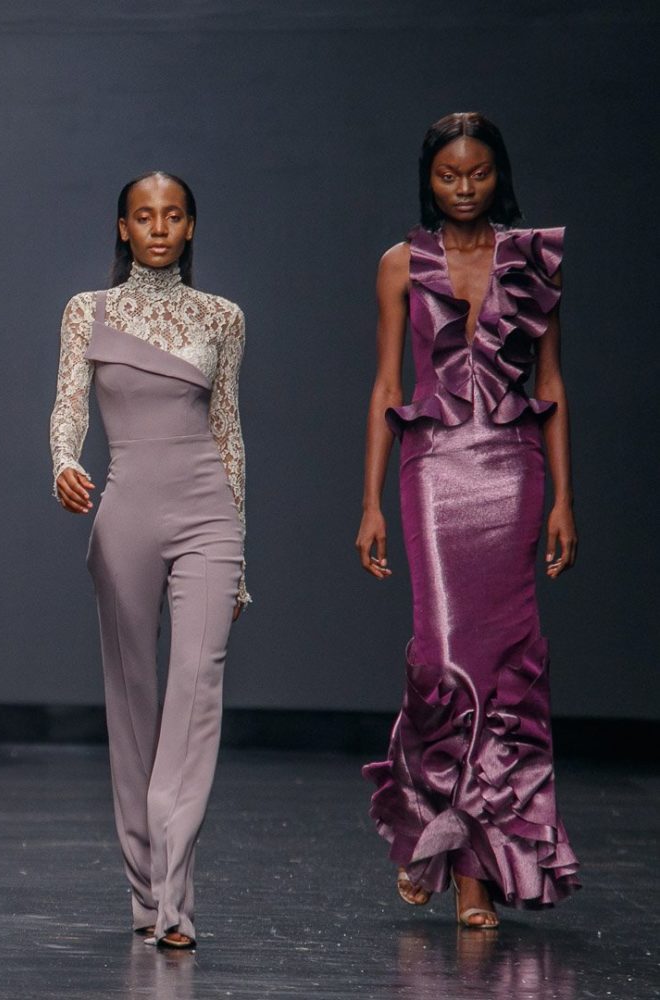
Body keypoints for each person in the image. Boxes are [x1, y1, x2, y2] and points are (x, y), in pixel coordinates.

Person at [358, 112, 580, 929]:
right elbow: (388, 387)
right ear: (429, 178)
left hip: (514, 470)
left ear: (498, 175)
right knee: (444, 657)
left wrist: (563, 498)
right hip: (432, 470)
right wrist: (370, 503)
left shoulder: (534, 261)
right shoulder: (400, 263)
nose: (463, 187)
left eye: (478, 173)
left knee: (504, 665)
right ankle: (433, 830)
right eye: (448, 175)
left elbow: (551, 384)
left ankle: (474, 874)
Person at [50, 171, 248, 949]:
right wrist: (63, 462)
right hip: (126, 510)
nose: (159, 227)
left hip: (208, 513)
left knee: (197, 689)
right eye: (144, 215)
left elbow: (228, 431)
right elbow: (68, 405)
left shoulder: (222, 316)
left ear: (190, 226)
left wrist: (242, 548)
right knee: (132, 701)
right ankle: (146, 889)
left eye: (172, 215)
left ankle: (173, 895)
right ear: (123, 227)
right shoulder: (88, 311)